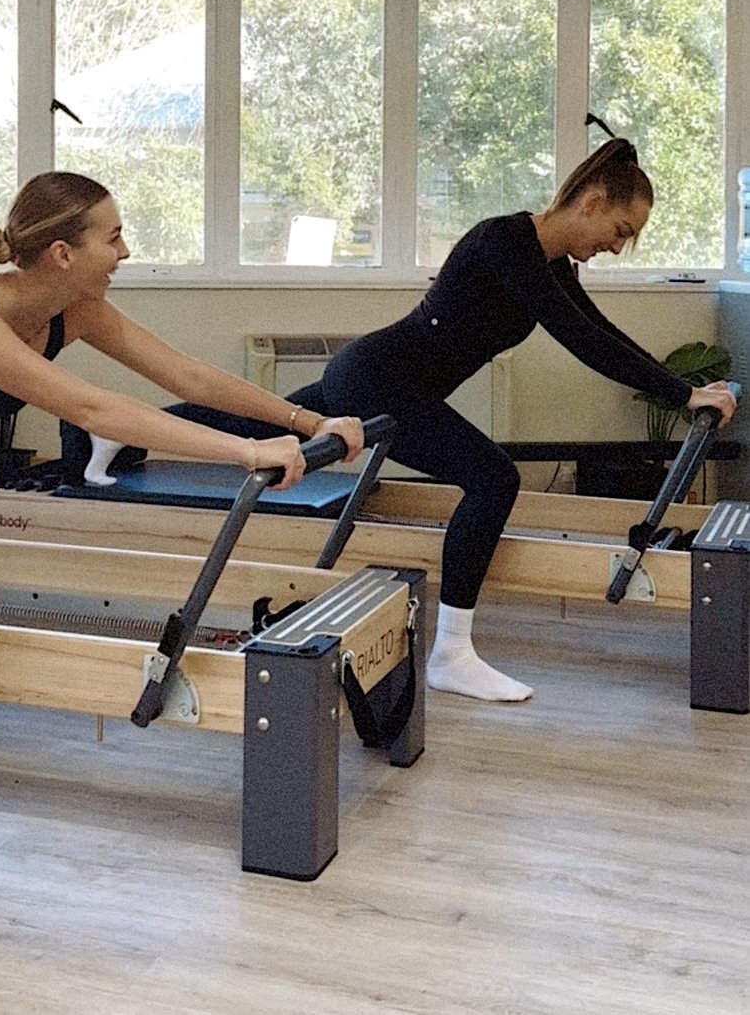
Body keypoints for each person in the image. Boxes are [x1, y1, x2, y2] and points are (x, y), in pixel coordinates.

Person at [0, 171, 364, 858]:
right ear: (62, 253)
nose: (125, 250)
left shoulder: (73, 310)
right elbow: (91, 409)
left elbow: (187, 376)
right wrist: (248, 451)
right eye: (113, 236)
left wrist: (310, 418)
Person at [151, 137, 737, 703]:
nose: (616, 245)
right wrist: (683, 395)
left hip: (387, 380)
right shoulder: (507, 242)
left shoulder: (552, 264)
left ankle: (111, 435)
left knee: (260, 423)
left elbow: (600, 330)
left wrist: (684, 388)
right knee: (493, 477)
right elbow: (583, 342)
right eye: (619, 231)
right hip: (380, 379)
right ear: (592, 202)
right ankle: (452, 653)